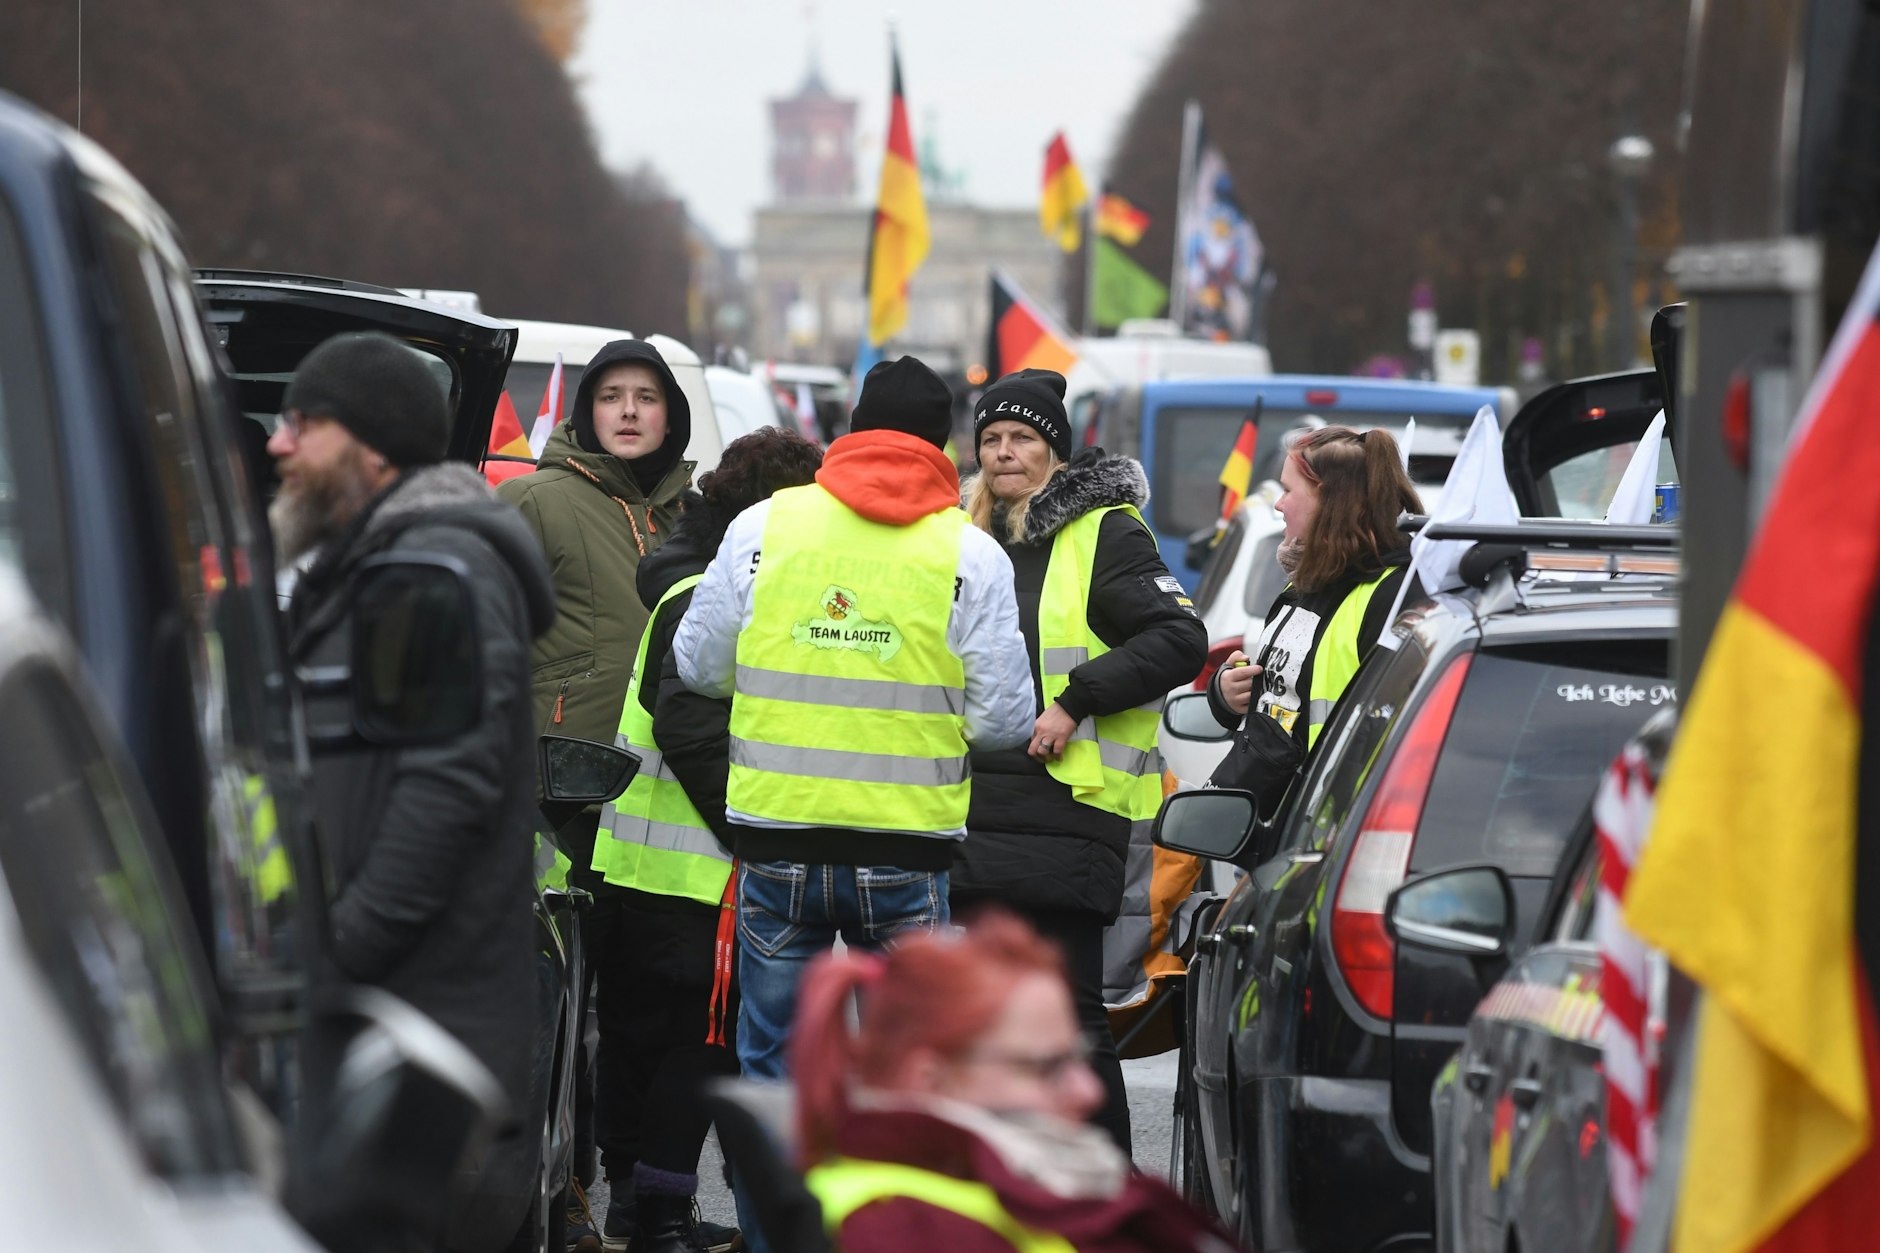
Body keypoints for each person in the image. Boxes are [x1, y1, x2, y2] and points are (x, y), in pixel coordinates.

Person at [674, 355, 1032, 1244]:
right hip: (906, 854)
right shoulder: (969, 552)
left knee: (777, 1072)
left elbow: (697, 665)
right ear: (944, 444)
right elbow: (1002, 720)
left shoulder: (763, 526)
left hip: (776, 844)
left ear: (851, 431)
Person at [269, 333, 555, 1246]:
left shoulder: (443, 571)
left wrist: (343, 944)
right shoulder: (383, 562)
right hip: (393, 1020)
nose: (278, 444)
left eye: (305, 424)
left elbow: (449, 781)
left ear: (376, 449)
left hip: (424, 1029)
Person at [946, 368, 1207, 1155]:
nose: (1004, 452)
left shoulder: (1107, 530)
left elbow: (1178, 639)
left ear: (1054, 450)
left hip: (1067, 814)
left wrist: (1075, 699)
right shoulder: (963, 531)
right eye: (991, 439)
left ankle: (1103, 1205)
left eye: (1022, 437)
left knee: (1068, 1021)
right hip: (968, 811)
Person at [589, 427, 824, 1253]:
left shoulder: (692, 585)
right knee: (700, 1045)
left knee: (645, 1045)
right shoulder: (707, 595)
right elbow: (690, 728)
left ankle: (640, 1210)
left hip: (646, 864)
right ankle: (658, 1215)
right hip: (696, 872)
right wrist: (749, 829)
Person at [497, 339, 693, 1242]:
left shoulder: (701, 516)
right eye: (610, 395)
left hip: (670, 800)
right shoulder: (536, 500)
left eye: (645, 397)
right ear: (583, 410)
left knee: (651, 1010)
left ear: (671, 414)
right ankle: (564, 1190)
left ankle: (638, 1189)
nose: (626, 411)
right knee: (568, 1004)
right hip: (562, 794)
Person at [790, 913, 1240, 1252]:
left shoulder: (1007, 1185)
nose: (1088, 1091)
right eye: (1045, 1068)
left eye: (1078, 1059)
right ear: (929, 1079)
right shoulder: (905, 1229)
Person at [1207, 425, 1420, 755]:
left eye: (1288, 491)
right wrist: (1226, 695)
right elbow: (1280, 702)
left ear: (1330, 502)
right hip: (1285, 800)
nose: (1278, 505)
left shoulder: (1393, 595)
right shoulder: (1306, 578)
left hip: (1328, 801)